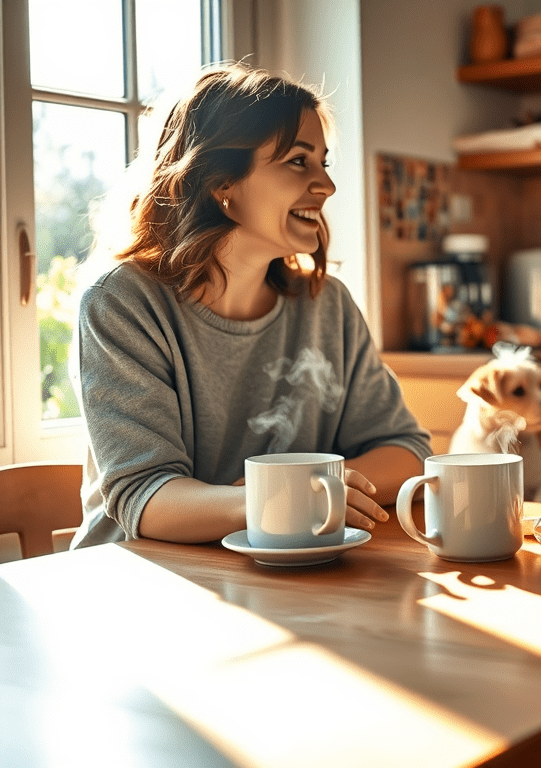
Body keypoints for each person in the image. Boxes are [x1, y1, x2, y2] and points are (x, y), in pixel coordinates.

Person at [71, 63, 432, 549]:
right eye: (298, 161)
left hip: (284, 575)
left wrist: (310, 491)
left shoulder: (328, 305)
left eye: (324, 163)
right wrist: (278, 498)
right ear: (221, 183)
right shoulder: (121, 304)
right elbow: (146, 496)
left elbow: (407, 452)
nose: (326, 186)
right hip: (142, 586)